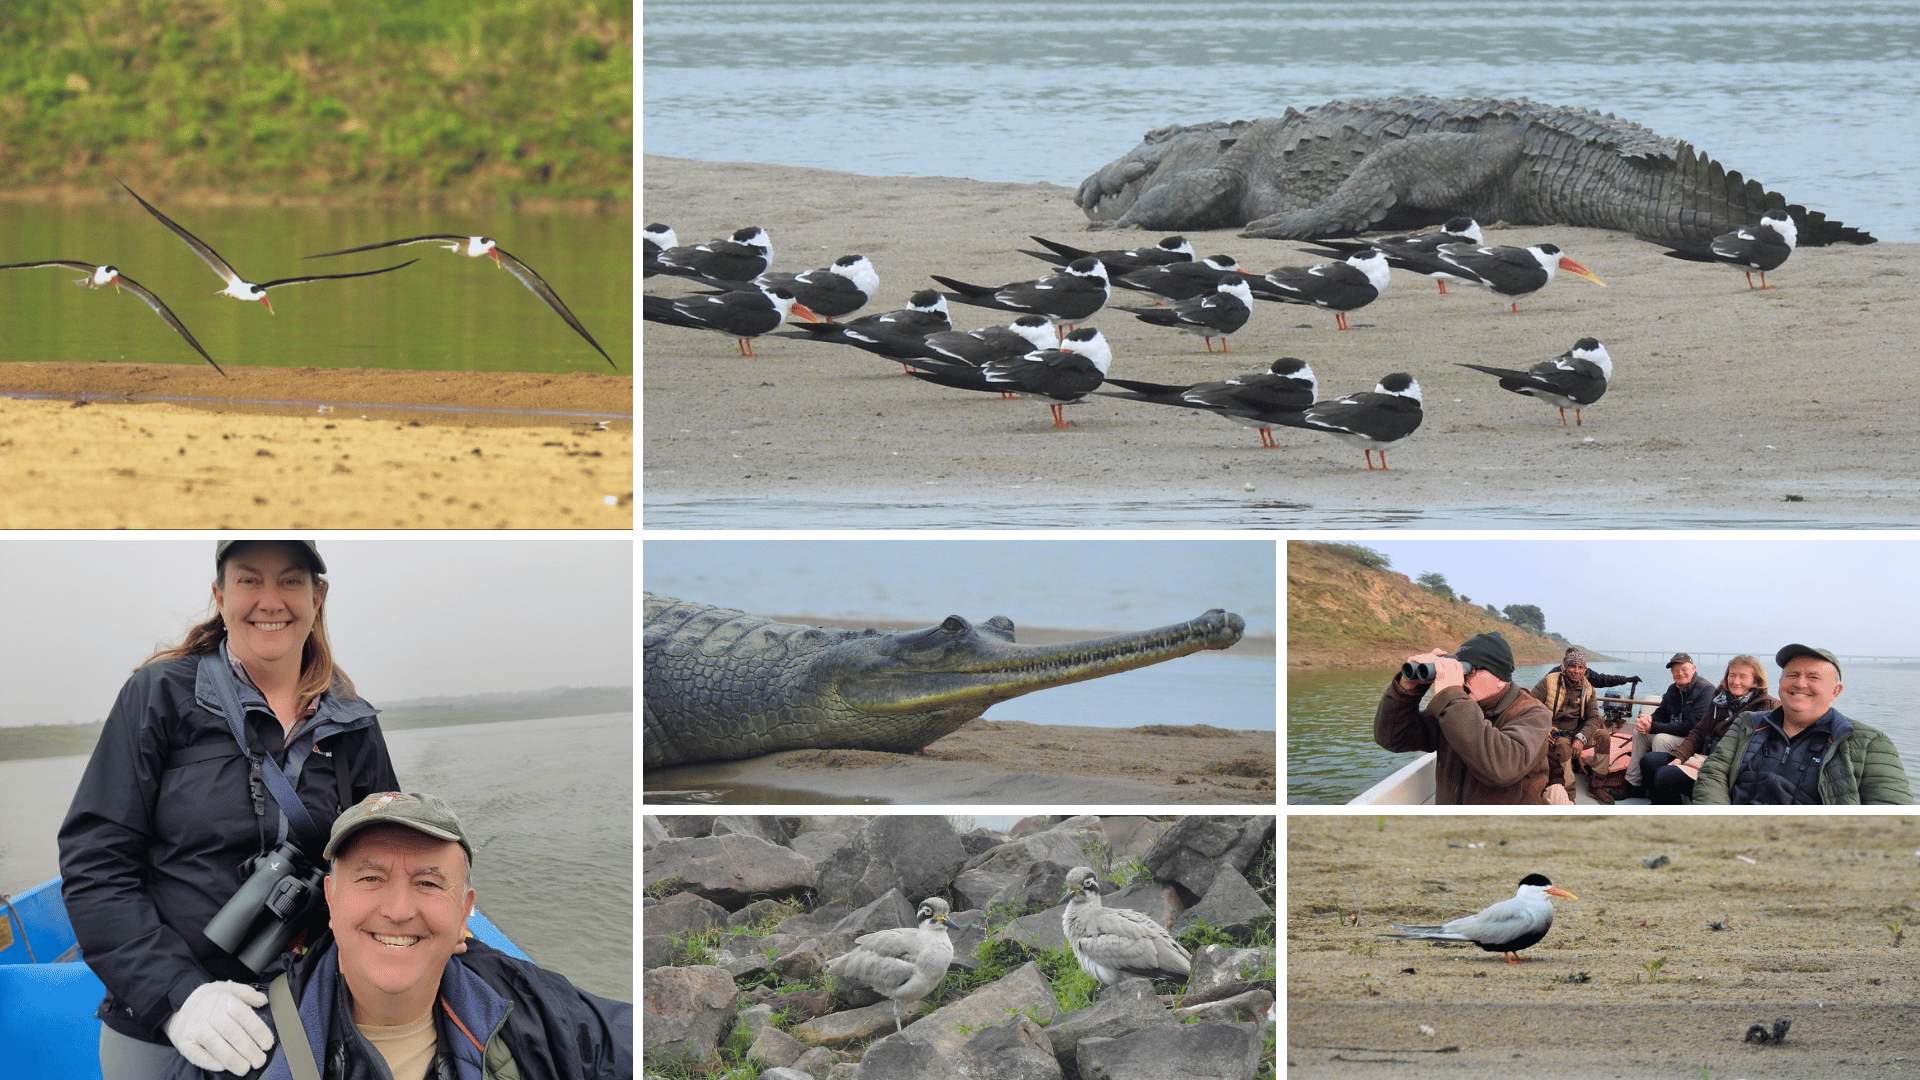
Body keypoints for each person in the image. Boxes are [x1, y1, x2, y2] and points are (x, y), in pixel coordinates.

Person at [59, 540, 400, 1078]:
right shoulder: (159, 695)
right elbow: (96, 866)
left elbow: (388, 856)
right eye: (248, 580)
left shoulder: (352, 720)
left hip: (311, 1009)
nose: (270, 600)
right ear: (220, 595)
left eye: (290, 580)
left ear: (318, 597)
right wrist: (178, 998)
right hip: (165, 1023)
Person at [162, 791, 632, 1079]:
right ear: (331, 899)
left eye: (428, 883)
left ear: (464, 911)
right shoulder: (243, 1047)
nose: (400, 910)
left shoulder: (540, 1012)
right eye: (370, 878)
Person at [1694, 645, 1912, 804]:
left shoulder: (1869, 744)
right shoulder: (1748, 723)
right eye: (1792, 675)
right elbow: (1714, 772)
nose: (1800, 683)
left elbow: (1891, 810)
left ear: (1836, 692)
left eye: (1813, 677)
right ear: (1780, 683)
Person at [1375, 631, 1554, 804]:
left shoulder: (1533, 714)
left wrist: (1451, 694)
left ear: (1501, 677)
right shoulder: (1454, 710)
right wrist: (1408, 688)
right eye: (1459, 670)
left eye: (1469, 670)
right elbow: (1393, 738)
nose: (1462, 679)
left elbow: (1503, 768)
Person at [1638, 655, 1779, 804]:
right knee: (1648, 761)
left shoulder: (1765, 706)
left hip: (1723, 770)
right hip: (1703, 756)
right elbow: (1699, 731)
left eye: (1743, 676)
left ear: (1756, 680)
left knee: (1664, 775)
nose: (1735, 681)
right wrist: (1681, 756)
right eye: (1732, 675)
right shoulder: (1720, 699)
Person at [1622, 652, 1716, 795]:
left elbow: (1692, 726)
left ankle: (1658, 788)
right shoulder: (1673, 689)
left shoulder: (1706, 690)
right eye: (1675, 670)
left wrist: (1653, 727)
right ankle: (1634, 785)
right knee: (1639, 733)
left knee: (1661, 739)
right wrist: (1648, 720)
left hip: (1694, 740)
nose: (1679, 673)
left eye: (1683, 669)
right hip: (1675, 734)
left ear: (1693, 668)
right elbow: (1662, 713)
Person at [1530, 649, 1608, 802]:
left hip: (1577, 733)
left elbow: (1593, 717)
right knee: (1563, 744)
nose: (1576, 671)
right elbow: (1531, 705)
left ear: (1585, 670)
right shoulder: (1549, 681)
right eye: (1572, 666)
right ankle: (1569, 796)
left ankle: (1597, 785)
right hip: (1555, 733)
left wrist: (1582, 737)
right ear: (1564, 666)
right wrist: (1545, 727)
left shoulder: (1588, 689)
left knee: (1604, 737)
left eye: (1581, 667)